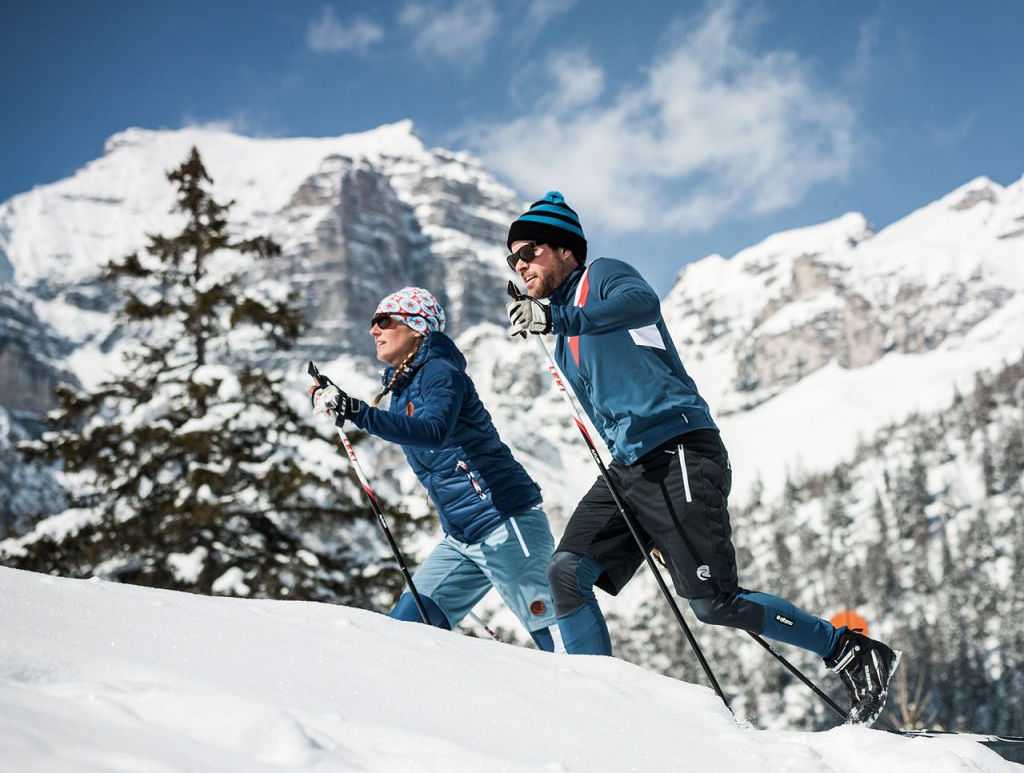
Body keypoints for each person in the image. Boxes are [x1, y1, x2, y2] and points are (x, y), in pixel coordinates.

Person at [503, 191, 900, 723]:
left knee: (715, 604)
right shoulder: (561, 327)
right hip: (631, 468)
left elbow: (642, 304)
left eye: (528, 251)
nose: (520, 264)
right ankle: (594, 707)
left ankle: (847, 650)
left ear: (564, 249)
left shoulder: (603, 277)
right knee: (566, 571)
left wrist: (561, 322)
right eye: (513, 259)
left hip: (679, 450)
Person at [310, 286, 562, 652]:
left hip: (505, 521)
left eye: (383, 321)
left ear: (417, 327)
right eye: (372, 323)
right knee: (404, 631)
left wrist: (357, 411)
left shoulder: (440, 372)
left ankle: (611, 704)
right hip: (462, 538)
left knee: (555, 637)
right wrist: (346, 406)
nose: (373, 330)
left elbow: (433, 432)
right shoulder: (402, 391)